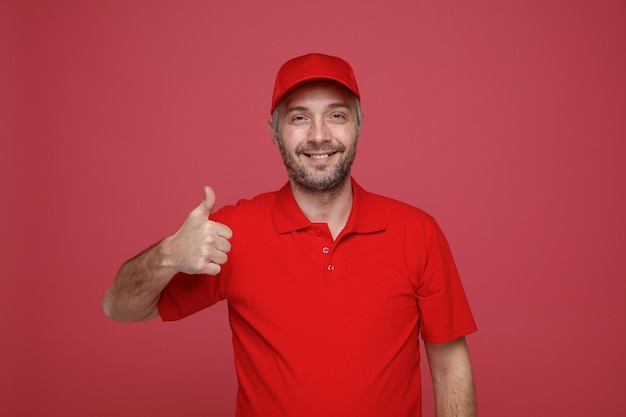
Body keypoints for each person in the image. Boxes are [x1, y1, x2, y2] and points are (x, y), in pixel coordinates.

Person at [103, 53, 478, 417]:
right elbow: (118, 307)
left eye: (336, 115)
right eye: (300, 117)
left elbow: (449, 369)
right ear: (274, 131)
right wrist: (168, 254)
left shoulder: (417, 232)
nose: (318, 135)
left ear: (359, 125)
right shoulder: (232, 233)